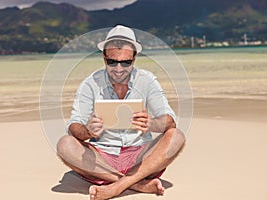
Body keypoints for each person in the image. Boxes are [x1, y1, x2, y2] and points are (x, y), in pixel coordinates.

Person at [57, 25, 186, 200]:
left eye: (125, 62)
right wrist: (87, 131)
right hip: (102, 158)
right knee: (65, 144)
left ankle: (118, 186)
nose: (118, 69)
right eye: (112, 62)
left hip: (141, 157)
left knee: (176, 136)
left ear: (134, 58)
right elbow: (74, 126)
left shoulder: (147, 80)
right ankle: (136, 184)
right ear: (104, 58)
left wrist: (152, 124)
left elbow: (170, 121)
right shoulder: (90, 84)